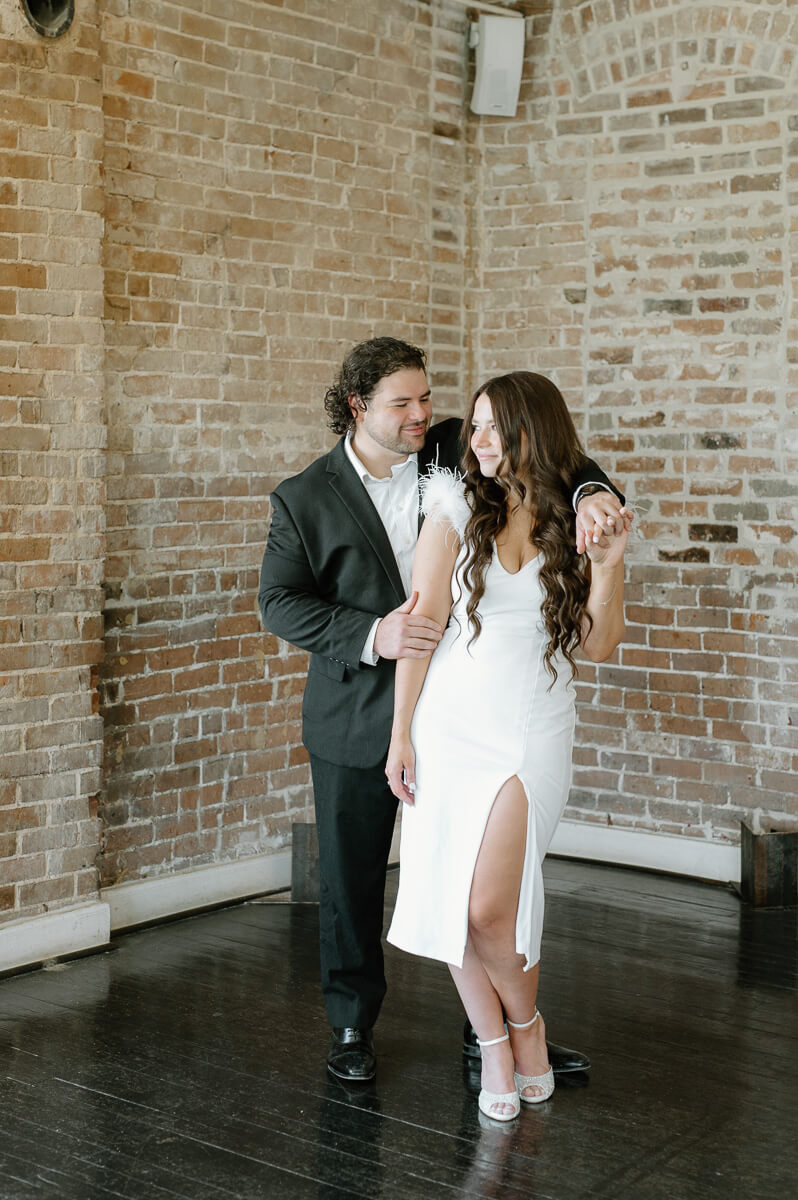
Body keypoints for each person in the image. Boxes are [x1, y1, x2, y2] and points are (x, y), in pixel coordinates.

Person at [258, 338, 629, 1084]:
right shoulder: (302, 497)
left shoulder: (456, 445)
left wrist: (594, 497)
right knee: (352, 878)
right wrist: (372, 633)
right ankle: (353, 1027)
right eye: (403, 404)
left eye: (427, 398)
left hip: (466, 705)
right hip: (358, 708)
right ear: (358, 408)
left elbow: (557, 454)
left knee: (484, 886)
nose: (424, 414)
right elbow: (278, 601)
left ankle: (488, 1032)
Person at [385, 370, 628, 1120]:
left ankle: (530, 1025)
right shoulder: (454, 506)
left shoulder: (578, 517)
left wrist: (611, 567)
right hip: (449, 724)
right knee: (451, 901)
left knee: (491, 905)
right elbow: (421, 632)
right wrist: (401, 732)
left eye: (493, 428)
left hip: (533, 725)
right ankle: (497, 1044)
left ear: (533, 433)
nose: (476, 442)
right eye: (476, 427)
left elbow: (600, 645)